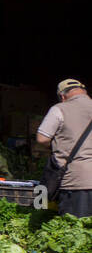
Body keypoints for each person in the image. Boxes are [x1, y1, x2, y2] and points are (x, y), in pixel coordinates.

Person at [36, 79, 92, 218]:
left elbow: (42, 138)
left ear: (62, 96)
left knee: (76, 229)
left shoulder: (60, 109)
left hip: (76, 182)